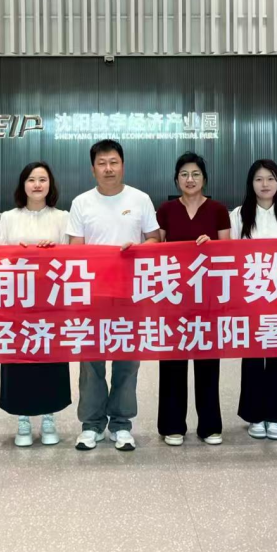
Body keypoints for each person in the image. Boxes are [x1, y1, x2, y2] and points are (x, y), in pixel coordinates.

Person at [67, 139, 160, 452]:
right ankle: (91, 425)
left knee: (127, 362)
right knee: (91, 363)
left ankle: (121, 424)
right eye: (102, 163)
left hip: (130, 295)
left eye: (114, 162)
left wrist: (138, 249)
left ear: (123, 165)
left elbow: (154, 239)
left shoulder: (140, 199)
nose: (108, 168)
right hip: (93, 296)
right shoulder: (82, 202)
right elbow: (75, 249)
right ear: (93, 169)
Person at [155, 152, 230, 446]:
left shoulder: (218, 210)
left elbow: (229, 253)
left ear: (204, 179)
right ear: (176, 180)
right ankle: (172, 425)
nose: (190, 179)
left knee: (207, 362)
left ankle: (209, 426)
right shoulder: (166, 210)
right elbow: (155, 248)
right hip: (173, 296)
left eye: (195, 174)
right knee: (172, 362)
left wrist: (213, 246)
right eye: (184, 174)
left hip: (208, 296)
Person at [0, 162, 72, 447]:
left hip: (51, 300)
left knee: (50, 358)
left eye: (42, 179)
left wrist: (54, 252)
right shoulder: (8, 217)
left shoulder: (62, 217)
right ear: (23, 185)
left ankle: (49, 417)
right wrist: (15, 253)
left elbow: (74, 256)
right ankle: (23, 419)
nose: (37, 185)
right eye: (31, 179)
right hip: (17, 301)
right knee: (20, 360)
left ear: (50, 184)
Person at [229, 159, 277, 441]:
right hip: (251, 297)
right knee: (253, 358)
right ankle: (255, 415)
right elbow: (230, 255)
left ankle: (275, 415)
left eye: (270, 178)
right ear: (251, 184)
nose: (265, 184)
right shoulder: (238, 215)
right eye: (259, 179)